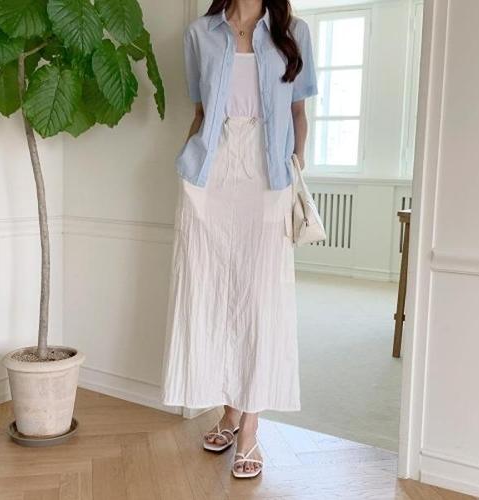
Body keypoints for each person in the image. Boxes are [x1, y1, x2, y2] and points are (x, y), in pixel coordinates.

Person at [161, 0, 318, 479]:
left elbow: (298, 112)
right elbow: (201, 112)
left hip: (268, 174)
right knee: (213, 292)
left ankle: (249, 426)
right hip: (211, 170)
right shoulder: (200, 34)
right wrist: (189, 169)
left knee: (259, 297)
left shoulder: (294, 32)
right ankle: (229, 412)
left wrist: (296, 169)